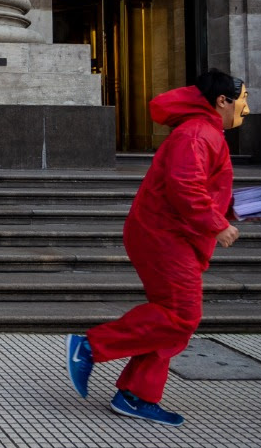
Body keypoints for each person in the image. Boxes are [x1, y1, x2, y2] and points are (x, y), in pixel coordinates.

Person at [66, 69, 250, 426]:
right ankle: (91, 346)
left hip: (170, 234)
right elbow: (185, 188)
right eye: (243, 99)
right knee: (182, 315)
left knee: (172, 316)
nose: (246, 108)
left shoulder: (203, 131)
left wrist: (235, 209)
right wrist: (218, 225)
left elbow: (201, 187)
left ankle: (136, 395)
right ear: (222, 101)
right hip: (165, 236)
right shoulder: (198, 133)